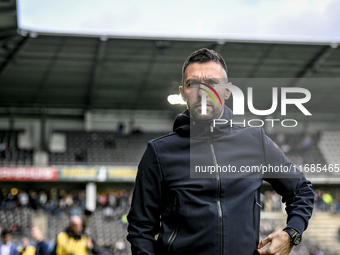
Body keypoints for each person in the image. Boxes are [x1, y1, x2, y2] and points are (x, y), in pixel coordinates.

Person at [127, 48, 314, 255]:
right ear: (183, 93)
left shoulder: (255, 142)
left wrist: (292, 233)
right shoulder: (159, 152)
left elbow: (301, 190)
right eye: (193, 84)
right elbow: (140, 230)